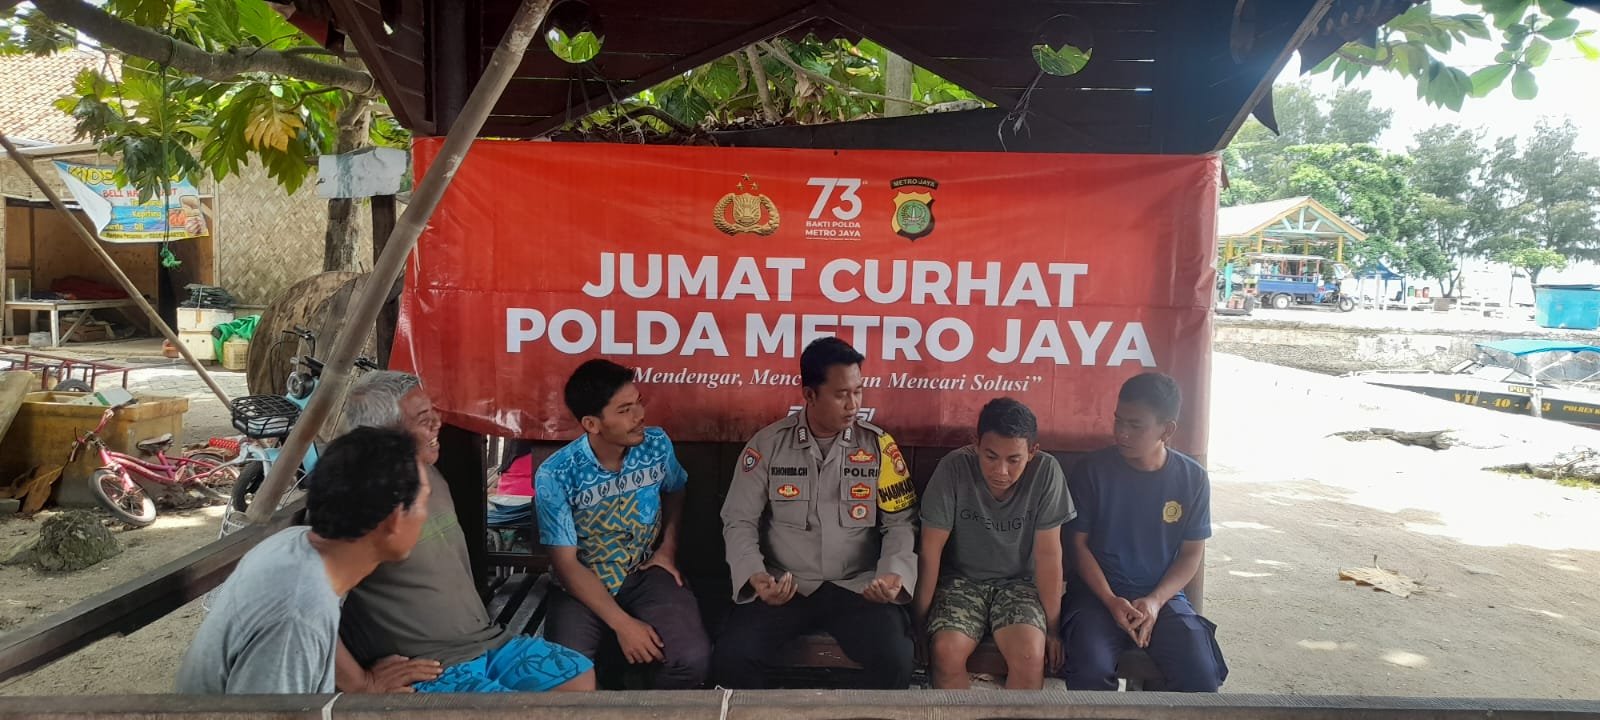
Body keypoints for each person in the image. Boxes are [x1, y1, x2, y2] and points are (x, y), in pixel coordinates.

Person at [337, 371, 595, 693]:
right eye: (423, 418)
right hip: (429, 664)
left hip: (485, 642)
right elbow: (307, 599)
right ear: (381, 434)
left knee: (577, 675)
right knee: (519, 712)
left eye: (433, 412)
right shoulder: (357, 498)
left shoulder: (428, 473)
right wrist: (361, 682)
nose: (437, 423)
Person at [715, 337, 919, 689]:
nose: (853, 405)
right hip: (787, 586)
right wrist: (755, 576)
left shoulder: (879, 447)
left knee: (897, 658)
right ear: (809, 394)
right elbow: (739, 520)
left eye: (858, 392)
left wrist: (892, 575)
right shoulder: (768, 445)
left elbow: (900, 522)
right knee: (733, 656)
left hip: (857, 587)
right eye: (841, 395)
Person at [176, 427, 430, 694]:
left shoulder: (297, 546)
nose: (426, 515)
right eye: (424, 502)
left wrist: (361, 683)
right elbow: (262, 711)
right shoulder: (296, 614)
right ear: (395, 519)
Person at [535, 359, 711, 689]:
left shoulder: (657, 445)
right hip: (582, 586)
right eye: (625, 410)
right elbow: (567, 566)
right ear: (592, 423)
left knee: (690, 660)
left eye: (638, 403)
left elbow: (676, 488)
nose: (640, 415)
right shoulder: (556, 474)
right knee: (566, 677)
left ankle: (653, 710)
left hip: (644, 573)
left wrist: (667, 550)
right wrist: (624, 625)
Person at [1060, 372, 1227, 692]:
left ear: (1167, 429)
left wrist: (1155, 601)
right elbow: (1077, 546)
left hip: (1163, 598)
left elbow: (1191, 554)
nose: (1121, 432)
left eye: (1135, 425)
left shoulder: (1192, 479)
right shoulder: (1093, 471)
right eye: (1118, 421)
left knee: (1200, 676)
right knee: (1090, 672)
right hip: (1097, 597)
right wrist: (1111, 600)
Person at [914, 398, 1072, 689]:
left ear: (1032, 452)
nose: (1001, 471)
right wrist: (918, 623)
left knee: (1030, 654)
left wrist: (1053, 629)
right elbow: (930, 551)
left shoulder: (1047, 471)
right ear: (976, 444)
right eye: (990, 456)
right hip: (961, 582)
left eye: (1014, 460)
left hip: (1019, 584)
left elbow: (1049, 556)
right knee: (946, 651)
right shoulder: (953, 468)